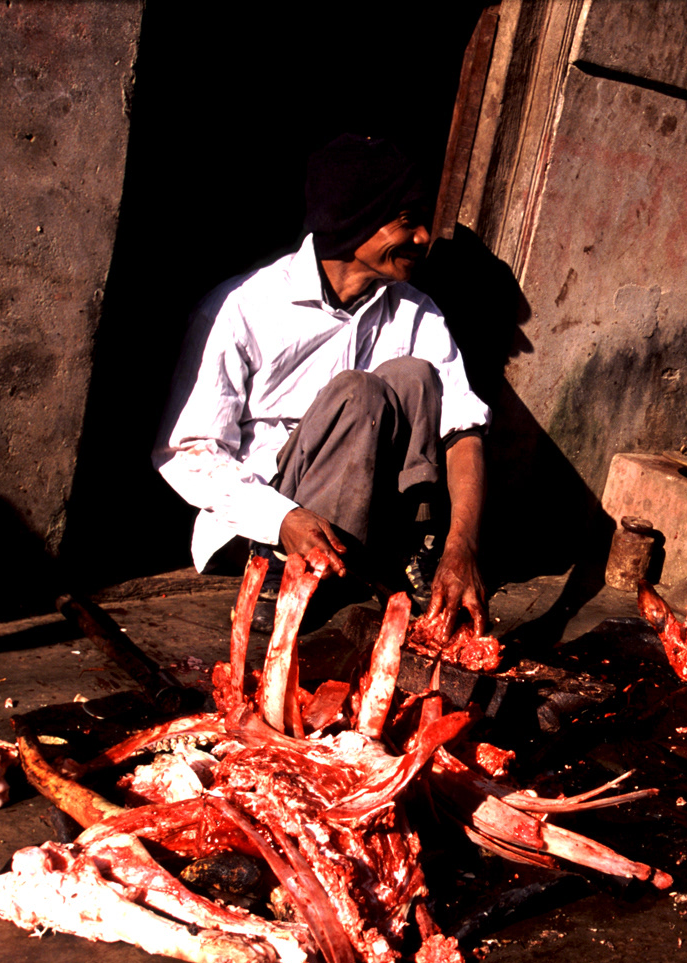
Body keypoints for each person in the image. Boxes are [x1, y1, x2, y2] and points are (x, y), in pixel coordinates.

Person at [154, 134, 491, 635]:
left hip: (370, 522)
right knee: (360, 392)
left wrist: (459, 549)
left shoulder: (416, 310)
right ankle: (279, 567)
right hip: (274, 518)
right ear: (355, 218)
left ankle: (410, 552)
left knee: (415, 375)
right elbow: (187, 451)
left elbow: (463, 431)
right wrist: (281, 519)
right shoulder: (243, 308)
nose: (424, 238)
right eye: (407, 220)